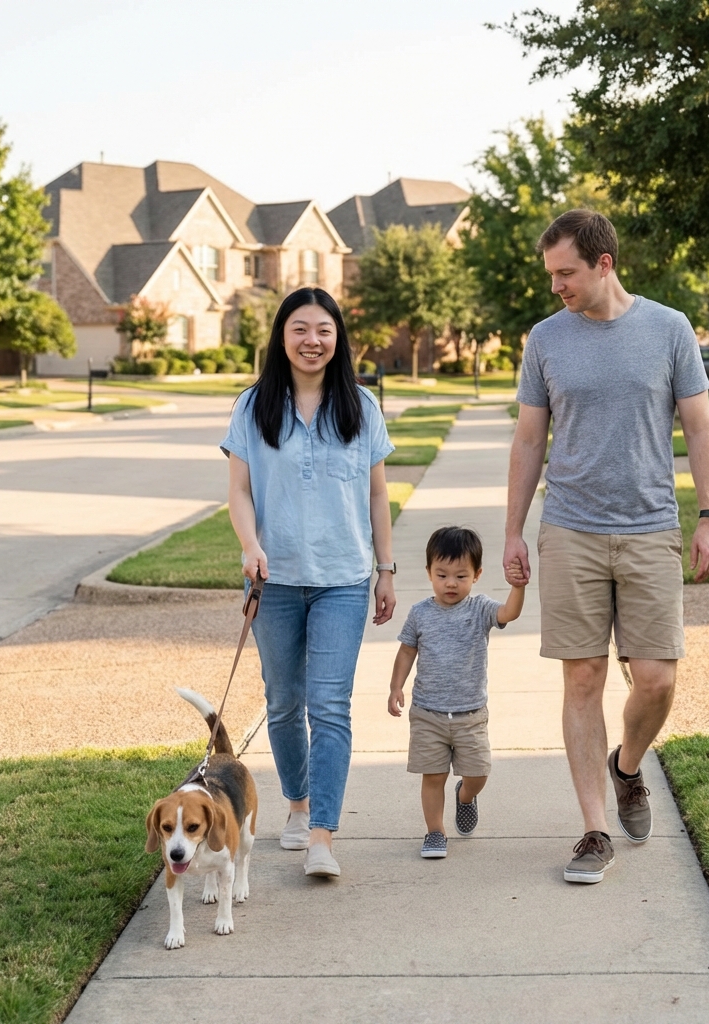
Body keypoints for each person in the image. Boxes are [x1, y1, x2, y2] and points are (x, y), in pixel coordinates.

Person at [503, 210, 709, 884]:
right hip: (570, 527)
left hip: (650, 526)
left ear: (602, 264)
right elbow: (529, 440)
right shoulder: (546, 339)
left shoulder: (668, 328)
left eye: (564, 272)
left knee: (656, 678)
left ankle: (627, 767)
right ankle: (593, 829)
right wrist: (513, 528)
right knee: (584, 678)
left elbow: (699, 426)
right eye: (550, 274)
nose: (555, 286)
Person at [221, 286, 397, 879]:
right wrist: (250, 547)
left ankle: (323, 833)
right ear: (281, 336)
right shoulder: (252, 406)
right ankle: (296, 804)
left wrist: (386, 571)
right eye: (300, 329)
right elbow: (240, 491)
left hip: (342, 580)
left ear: (338, 337)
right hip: (274, 580)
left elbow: (377, 495)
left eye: (323, 329)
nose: (312, 341)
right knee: (283, 702)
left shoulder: (362, 407)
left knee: (329, 705)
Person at [388, 526, 527, 858]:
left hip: (470, 714)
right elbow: (407, 651)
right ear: (428, 573)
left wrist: (517, 586)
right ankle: (435, 832)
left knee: (479, 772)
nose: (451, 583)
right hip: (427, 713)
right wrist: (396, 686)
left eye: (460, 576)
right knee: (433, 776)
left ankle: (465, 795)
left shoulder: (480, 609)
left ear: (477, 575)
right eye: (442, 574)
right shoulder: (420, 613)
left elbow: (509, 613)